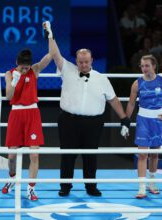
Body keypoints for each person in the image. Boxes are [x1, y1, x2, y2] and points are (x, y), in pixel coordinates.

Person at [43, 21, 129, 197]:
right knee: (68, 155)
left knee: (91, 156)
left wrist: (124, 118)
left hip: (94, 122)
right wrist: (50, 36)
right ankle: (65, 187)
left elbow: (113, 99)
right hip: (69, 120)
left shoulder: (101, 78)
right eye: (80, 62)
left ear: (92, 61)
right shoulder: (67, 69)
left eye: (86, 62)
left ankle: (91, 186)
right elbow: (55, 53)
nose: (83, 64)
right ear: (76, 61)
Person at [123, 54, 162, 199]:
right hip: (143, 120)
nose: (144, 68)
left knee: (155, 154)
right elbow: (131, 103)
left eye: (147, 65)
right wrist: (125, 122)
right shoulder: (137, 83)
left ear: (154, 66)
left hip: (158, 120)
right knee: (143, 154)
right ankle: (142, 187)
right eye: (142, 66)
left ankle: (152, 182)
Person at [1, 48, 52, 201]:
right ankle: (12, 178)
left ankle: (31, 188)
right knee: (11, 156)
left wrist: (50, 35)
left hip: (32, 114)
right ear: (17, 63)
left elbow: (50, 55)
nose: (24, 70)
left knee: (35, 155)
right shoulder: (9, 74)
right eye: (22, 67)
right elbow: (8, 96)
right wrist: (15, 81)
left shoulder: (34, 70)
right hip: (16, 113)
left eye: (27, 67)